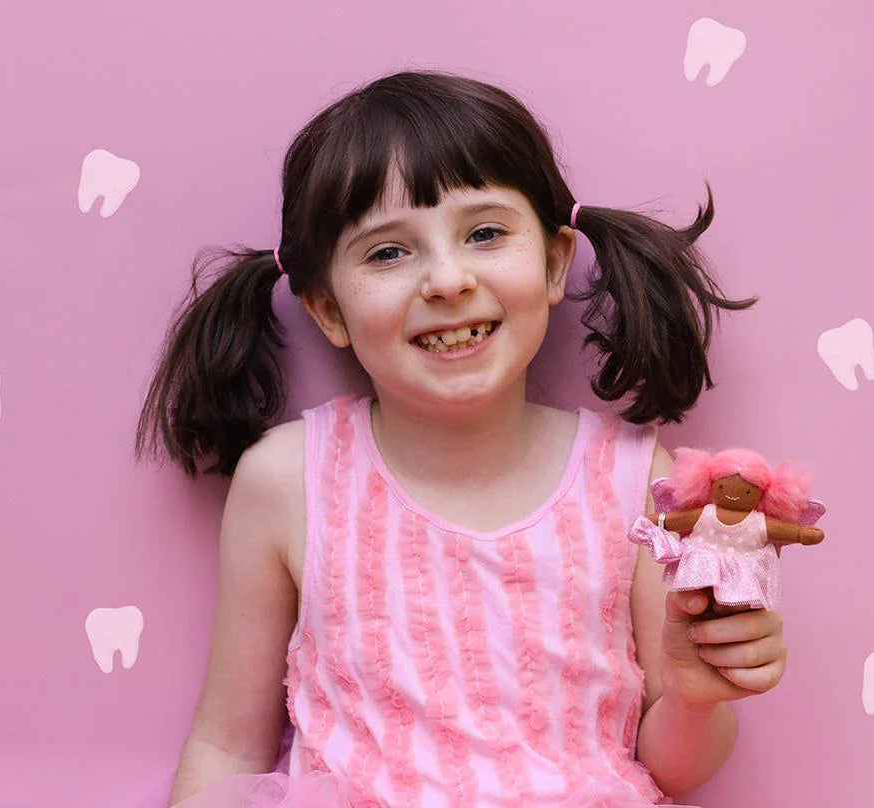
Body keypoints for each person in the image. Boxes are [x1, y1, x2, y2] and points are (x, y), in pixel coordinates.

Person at [134, 70, 785, 808]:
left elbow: (674, 769)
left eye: (484, 234)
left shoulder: (634, 481)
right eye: (387, 253)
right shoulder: (287, 478)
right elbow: (226, 743)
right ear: (327, 310)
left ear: (552, 261)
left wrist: (699, 696)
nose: (446, 280)